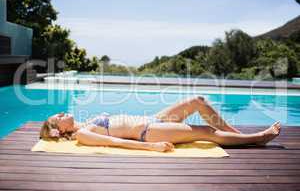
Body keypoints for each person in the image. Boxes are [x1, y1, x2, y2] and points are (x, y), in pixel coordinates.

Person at [40, 96, 281, 152]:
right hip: (148, 133)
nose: (62, 113)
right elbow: (116, 142)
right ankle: (257, 139)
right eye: (58, 118)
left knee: (197, 102)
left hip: (154, 120)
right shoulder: (83, 134)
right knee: (206, 132)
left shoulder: (87, 121)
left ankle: (238, 135)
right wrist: (151, 148)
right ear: (59, 129)